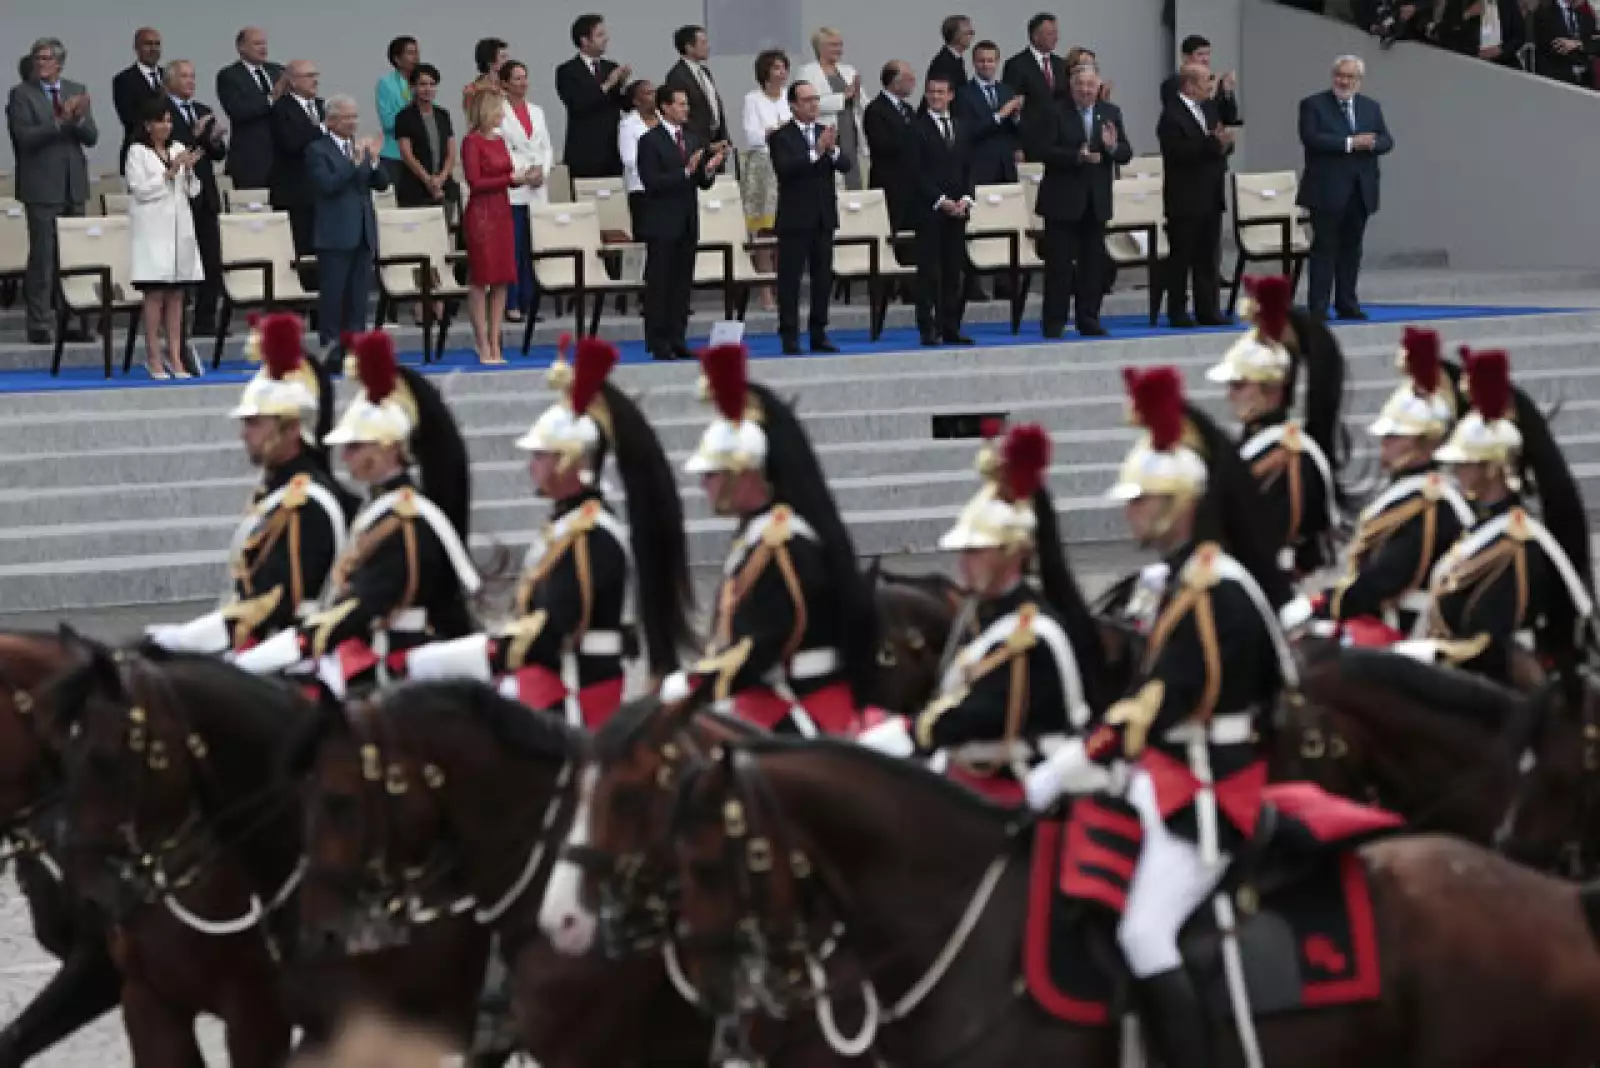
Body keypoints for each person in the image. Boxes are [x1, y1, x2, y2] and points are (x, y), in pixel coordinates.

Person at [1025, 364, 1297, 1068]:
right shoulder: (1181, 579)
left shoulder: (1213, 590)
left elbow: (1163, 700)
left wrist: (1076, 760)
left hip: (1211, 790)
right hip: (1172, 774)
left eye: (1140, 502)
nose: (1128, 513)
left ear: (1175, 507)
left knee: (1146, 933)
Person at [405, 335, 696, 728]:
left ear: (571, 462)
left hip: (573, 690)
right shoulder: (567, 527)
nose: (531, 464)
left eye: (541, 455)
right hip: (554, 678)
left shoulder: (592, 536)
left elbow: (556, 629)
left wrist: (475, 655)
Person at [859, 423, 1106, 806]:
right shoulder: (988, 617)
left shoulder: (1029, 633)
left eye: (976, 551)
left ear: (1010, 553)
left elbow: (982, 712)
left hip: (1031, 787)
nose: (964, 561)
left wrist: (910, 732)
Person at [234, 328, 480, 694]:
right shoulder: (382, 512)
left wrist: (256, 662)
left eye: (356, 446)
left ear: (389, 449)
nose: (345, 456)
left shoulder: (406, 520)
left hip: (396, 676)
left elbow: (359, 610)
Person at [665, 342, 878, 735]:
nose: (703, 485)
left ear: (743, 474)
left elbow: (760, 645)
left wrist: (695, 686)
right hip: (771, 693)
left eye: (713, 475)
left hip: (799, 703)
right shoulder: (760, 534)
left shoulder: (782, 543)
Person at [147, 312, 352, 655]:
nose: (244, 433)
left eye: (256, 423)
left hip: (292, 657)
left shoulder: (306, 504)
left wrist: (184, 641)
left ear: (291, 430)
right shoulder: (279, 494)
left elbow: (274, 604)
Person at [1405, 348, 1595, 686]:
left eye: (1465, 461)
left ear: (1492, 468)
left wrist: (1415, 655)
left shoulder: (1511, 545)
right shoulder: (1485, 531)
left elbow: (1485, 644)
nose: (1456, 469)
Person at [1320, 327, 1472, 638]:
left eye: (1394, 436)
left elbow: (1387, 577)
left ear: (1425, 441)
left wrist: (1327, 604)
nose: (1384, 444)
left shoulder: (1430, 503)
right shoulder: (1407, 494)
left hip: (1414, 629)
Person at [1204, 275, 1346, 577]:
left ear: (1273, 389)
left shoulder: (1289, 456)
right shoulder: (1256, 446)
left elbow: (1261, 537)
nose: (1230, 394)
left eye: (1240, 385)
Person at [7, 37, 98, 346]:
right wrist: (61, 120)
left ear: (60, 63)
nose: (40, 63)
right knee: (43, 258)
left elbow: (91, 137)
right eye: (37, 58)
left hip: (73, 184)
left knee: (73, 259)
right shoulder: (21, 95)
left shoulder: (75, 89)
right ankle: (39, 323)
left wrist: (80, 118)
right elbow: (25, 138)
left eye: (46, 58)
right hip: (41, 187)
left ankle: (70, 320)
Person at [1031, 65, 1130, 339]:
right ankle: (1054, 322)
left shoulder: (1110, 113)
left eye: (1090, 85)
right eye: (1080, 85)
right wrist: (1077, 156)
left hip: (1096, 201)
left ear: (1098, 87)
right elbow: (1042, 150)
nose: (1085, 90)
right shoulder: (1054, 112)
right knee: (1059, 267)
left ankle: (1089, 318)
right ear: (1071, 87)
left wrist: (1111, 148)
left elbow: (1125, 152)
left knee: (1092, 266)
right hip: (1061, 201)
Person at [1297, 55, 1393, 323]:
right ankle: (1317, 307)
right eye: (1340, 75)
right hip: (1326, 190)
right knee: (1324, 248)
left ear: (1359, 81)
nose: (1344, 81)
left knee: (1352, 249)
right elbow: (1312, 139)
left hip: (1360, 190)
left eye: (1350, 77)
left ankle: (1347, 303)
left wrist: (1371, 144)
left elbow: (1386, 140)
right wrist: (1351, 143)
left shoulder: (1370, 107)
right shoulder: (1313, 105)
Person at [637, 85, 724, 362]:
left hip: (687, 220)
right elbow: (652, 182)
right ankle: (658, 340)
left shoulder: (692, 137)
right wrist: (685, 171)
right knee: (660, 284)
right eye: (680, 104)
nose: (686, 109)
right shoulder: (650, 141)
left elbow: (700, 182)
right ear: (664, 107)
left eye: (687, 104)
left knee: (682, 285)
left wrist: (707, 171)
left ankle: (678, 337)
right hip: (662, 222)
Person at [126, 98, 204, 379]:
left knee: (176, 295)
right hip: (152, 232)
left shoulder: (178, 148)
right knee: (155, 294)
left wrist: (189, 170)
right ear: (148, 125)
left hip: (179, 232)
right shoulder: (137, 152)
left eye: (170, 121)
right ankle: (153, 357)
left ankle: (176, 356)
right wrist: (169, 173)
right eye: (161, 121)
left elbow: (193, 191)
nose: (167, 127)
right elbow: (140, 190)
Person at [307, 96, 389, 361]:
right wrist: (353, 164)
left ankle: (357, 351)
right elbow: (326, 185)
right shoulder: (317, 150)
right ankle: (331, 351)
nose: (354, 122)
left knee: (358, 298)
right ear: (331, 121)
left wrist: (374, 161)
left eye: (355, 116)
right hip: (334, 234)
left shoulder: (360, 148)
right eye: (347, 117)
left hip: (363, 231)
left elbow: (382, 184)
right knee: (333, 297)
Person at [771, 81, 849, 355]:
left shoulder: (825, 132)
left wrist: (832, 150)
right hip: (795, 218)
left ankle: (819, 332)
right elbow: (786, 169)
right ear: (793, 104)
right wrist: (816, 151)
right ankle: (789, 335)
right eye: (807, 100)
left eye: (816, 99)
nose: (814, 104)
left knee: (822, 278)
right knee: (790, 281)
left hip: (823, 217)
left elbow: (845, 164)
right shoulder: (782, 136)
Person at [1157, 64, 1234, 328]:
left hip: (1211, 192)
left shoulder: (1209, 108)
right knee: (1182, 256)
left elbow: (1221, 137)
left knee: (1207, 256)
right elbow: (1178, 152)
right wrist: (1213, 144)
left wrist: (1224, 143)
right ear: (1189, 85)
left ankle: (1208, 309)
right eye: (1205, 80)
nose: (1211, 85)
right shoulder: (1171, 116)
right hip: (1185, 197)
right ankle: (1177, 310)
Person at [908, 74, 974, 347]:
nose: (936, 96)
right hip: (930, 210)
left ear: (951, 96)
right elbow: (915, 172)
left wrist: (967, 198)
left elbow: (969, 167)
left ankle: (951, 326)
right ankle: (927, 327)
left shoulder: (961, 126)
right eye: (931, 92)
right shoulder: (916, 128)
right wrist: (941, 200)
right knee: (929, 272)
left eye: (941, 92)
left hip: (958, 211)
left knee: (953, 271)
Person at [166, 60, 228, 337]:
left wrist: (213, 139)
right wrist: (194, 136)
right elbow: (166, 149)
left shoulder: (203, 110)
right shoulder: (160, 112)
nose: (190, 81)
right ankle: (176, 324)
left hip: (206, 196)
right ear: (169, 81)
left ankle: (206, 321)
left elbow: (217, 154)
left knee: (211, 261)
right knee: (179, 263)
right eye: (184, 77)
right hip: (176, 197)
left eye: (193, 76)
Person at [461, 89, 522, 366]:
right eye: (498, 109)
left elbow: (505, 174)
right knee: (481, 278)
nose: (502, 114)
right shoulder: (471, 142)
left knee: (501, 278)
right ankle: (481, 340)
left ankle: (496, 340)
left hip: (502, 211)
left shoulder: (500, 140)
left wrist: (520, 178)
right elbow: (475, 182)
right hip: (482, 214)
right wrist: (509, 179)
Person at [497, 61, 552, 325]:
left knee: (533, 248)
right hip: (515, 187)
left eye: (525, 77)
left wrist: (542, 171)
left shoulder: (537, 111)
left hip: (537, 187)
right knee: (513, 248)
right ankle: (512, 303)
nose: (522, 83)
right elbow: (500, 148)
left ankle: (531, 302)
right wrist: (523, 173)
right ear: (505, 83)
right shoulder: (498, 112)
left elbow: (546, 146)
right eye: (516, 78)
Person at [740, 51, 791, 311]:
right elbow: (752, 134)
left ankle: (784, 287)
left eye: (784, 67)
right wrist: (774, 132)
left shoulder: (790, 98)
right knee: (764, 231)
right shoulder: (753, 99)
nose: (782, 72)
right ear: (765, 72)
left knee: (786, 230)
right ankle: (765, 292)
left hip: (788, 166)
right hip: (763, 167)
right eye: (776, 68)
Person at [556, 14, 631, 179]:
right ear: (584, 40)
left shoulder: (611, 67)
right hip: (584, 154)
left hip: (612, 151)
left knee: (613, 202)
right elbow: (578, 105)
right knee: (586, 203)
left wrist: (623, 84)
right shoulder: (567, 71)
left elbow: (625, 106)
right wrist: (607, 85)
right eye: (600, 35)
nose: (606, 38)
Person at [215, 26, 286, 192]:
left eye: (264, 43)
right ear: (241, 47)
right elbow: (238, 111)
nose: (263, 48)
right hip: (250, 160)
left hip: (281, 160)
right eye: (257, 44)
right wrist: (271, 99)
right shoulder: (229, 76)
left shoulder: (278, 71)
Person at [270, 60, 327, 260]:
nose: (315, 80)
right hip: (296, 191)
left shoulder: (323, 106)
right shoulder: (281, 108)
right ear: (293, 82)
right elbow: (290, 143)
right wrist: (320, 129)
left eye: (315, 75)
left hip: (324, 191)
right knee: (302, 249)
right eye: (309, 76)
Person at [796, 28, 863, 189]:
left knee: (852, 177)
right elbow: (809, 103)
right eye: (833, 45)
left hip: (849, 132)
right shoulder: (807, 72)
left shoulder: (848, 70)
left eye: (840, 45)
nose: (839, 49)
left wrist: (857, 96)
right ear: (820, 48)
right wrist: (842, 97)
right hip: (826, 133)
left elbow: (861, 102)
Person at [861, 61, 919, 236]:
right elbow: (882, 146)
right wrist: (910, 136)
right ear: (895, 81)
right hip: (890, 186)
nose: (914, 83)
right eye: (909, 78)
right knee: (890, 236)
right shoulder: (876, 110)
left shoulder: (908, 110)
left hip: (912, 186)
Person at [957, 40, 1023, 186]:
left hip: (1006, 168)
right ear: (974, 62)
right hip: (980, 169)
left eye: (990, 61)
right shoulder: (963, 94)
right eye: (981, 61)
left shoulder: (1006, 90)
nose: (986, 65)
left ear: (997, 62)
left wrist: (1017, 117)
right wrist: (999, 116)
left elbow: (1014, 130)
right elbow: (968, 131)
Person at [393, 63, 457, 211]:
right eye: (422, 84)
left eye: (432, 84)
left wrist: (441, 178)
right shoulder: (404, 117)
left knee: (443, 232)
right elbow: (407, 154)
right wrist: (428, 180)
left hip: (444, 187)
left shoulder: (443, 115)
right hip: (415, 189)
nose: (428, 89)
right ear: (412, 87)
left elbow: (451, 152)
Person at [1003, 11, 1067, 153]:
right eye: (1051, 33)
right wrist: (1016, 146)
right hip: (1030, 142)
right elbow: (1010, 108)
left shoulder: (1061, 65)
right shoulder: (1016, 65)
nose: (1056, 38)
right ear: (1035, 36)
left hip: (1058, 144)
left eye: (1056, 33)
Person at [663, 24, 729, 156]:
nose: (708, 46)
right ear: (689, 47)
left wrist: (724, 138)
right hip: (696, 148)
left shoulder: (704, 72)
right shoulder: (677, 75)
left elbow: (714, 107)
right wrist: (706, 145)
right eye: (703, 43)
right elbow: (681, 116)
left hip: (717, 144)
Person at [112, 27, 165, 172]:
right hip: (139, 153)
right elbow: (129, 118)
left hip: (170, 153)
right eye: (148, 44)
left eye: (157, 44)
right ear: (136, 48)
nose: (153, 48)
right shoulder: (123, 80)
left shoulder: (168, 77)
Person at [1158, 35, 1241, 125]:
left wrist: (1227, 91)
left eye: (1208, 54)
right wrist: (1210, 95)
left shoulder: (1216, 82)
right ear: (1185, 57)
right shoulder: (1172, 84)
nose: (1206, 59)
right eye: (1200, 54)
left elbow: (1230, 118)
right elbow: (1182, 115)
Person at [376, 35, 418, 186]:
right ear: (397, 59)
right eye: (410, 53)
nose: (416, 57)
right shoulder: (386, 84)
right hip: (395, 155)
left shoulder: (422, 83)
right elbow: (388, 123)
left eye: (417, 52)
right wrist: (411, 105)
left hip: (420, 156)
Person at [617, 80, 658, 234]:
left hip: (667, 189)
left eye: (654, 92)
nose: (654, 96)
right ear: (636, 101)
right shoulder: (628, 124)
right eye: (648, 93)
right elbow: (629, 159)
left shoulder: (666, 121)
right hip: (641, 189)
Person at [1531, 0, 1598, 85]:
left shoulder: (1586, 15)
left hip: (1586, 79)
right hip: (1558, 80)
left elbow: (1595, 45)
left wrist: (1577, 44)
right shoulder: (1544, 12)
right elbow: (1556, 47)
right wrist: (1585, 47)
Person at [928, 15, 974, 95]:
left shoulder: (955, 59)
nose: (972, 37)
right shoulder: (943, 62)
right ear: (956, 35)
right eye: (969, 33)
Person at [463, 37, 509, 116]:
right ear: (490, 61)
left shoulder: (510, 86)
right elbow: (474, 117)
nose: (507, 61)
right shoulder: (473, 90)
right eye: (503, 57)